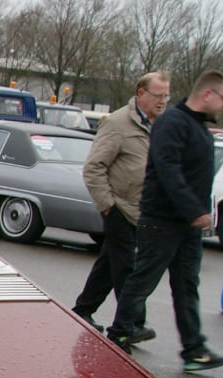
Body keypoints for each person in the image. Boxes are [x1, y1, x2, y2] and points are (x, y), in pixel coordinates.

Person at [105, 71, 223, 371]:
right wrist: (194, 209)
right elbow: (167, 169)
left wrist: (198, 213)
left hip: (187, 226)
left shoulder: (199, 128)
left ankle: (194, 349)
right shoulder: (172, 123)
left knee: (187, 285)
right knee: (143, 279)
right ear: (207, 95)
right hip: (161, 220)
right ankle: (120, 333)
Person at [71, 72, 171, 335]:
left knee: (108, 264)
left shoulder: (161, 126)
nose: (163, 101)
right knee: (127, 267)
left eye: (166, 96)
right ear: (141, 94)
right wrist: (107, 205)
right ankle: (132, 324)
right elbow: (93, 167)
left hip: (145, 211)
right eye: (158, 96)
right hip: (118, 207)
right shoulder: (118, 124)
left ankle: (83, 310)